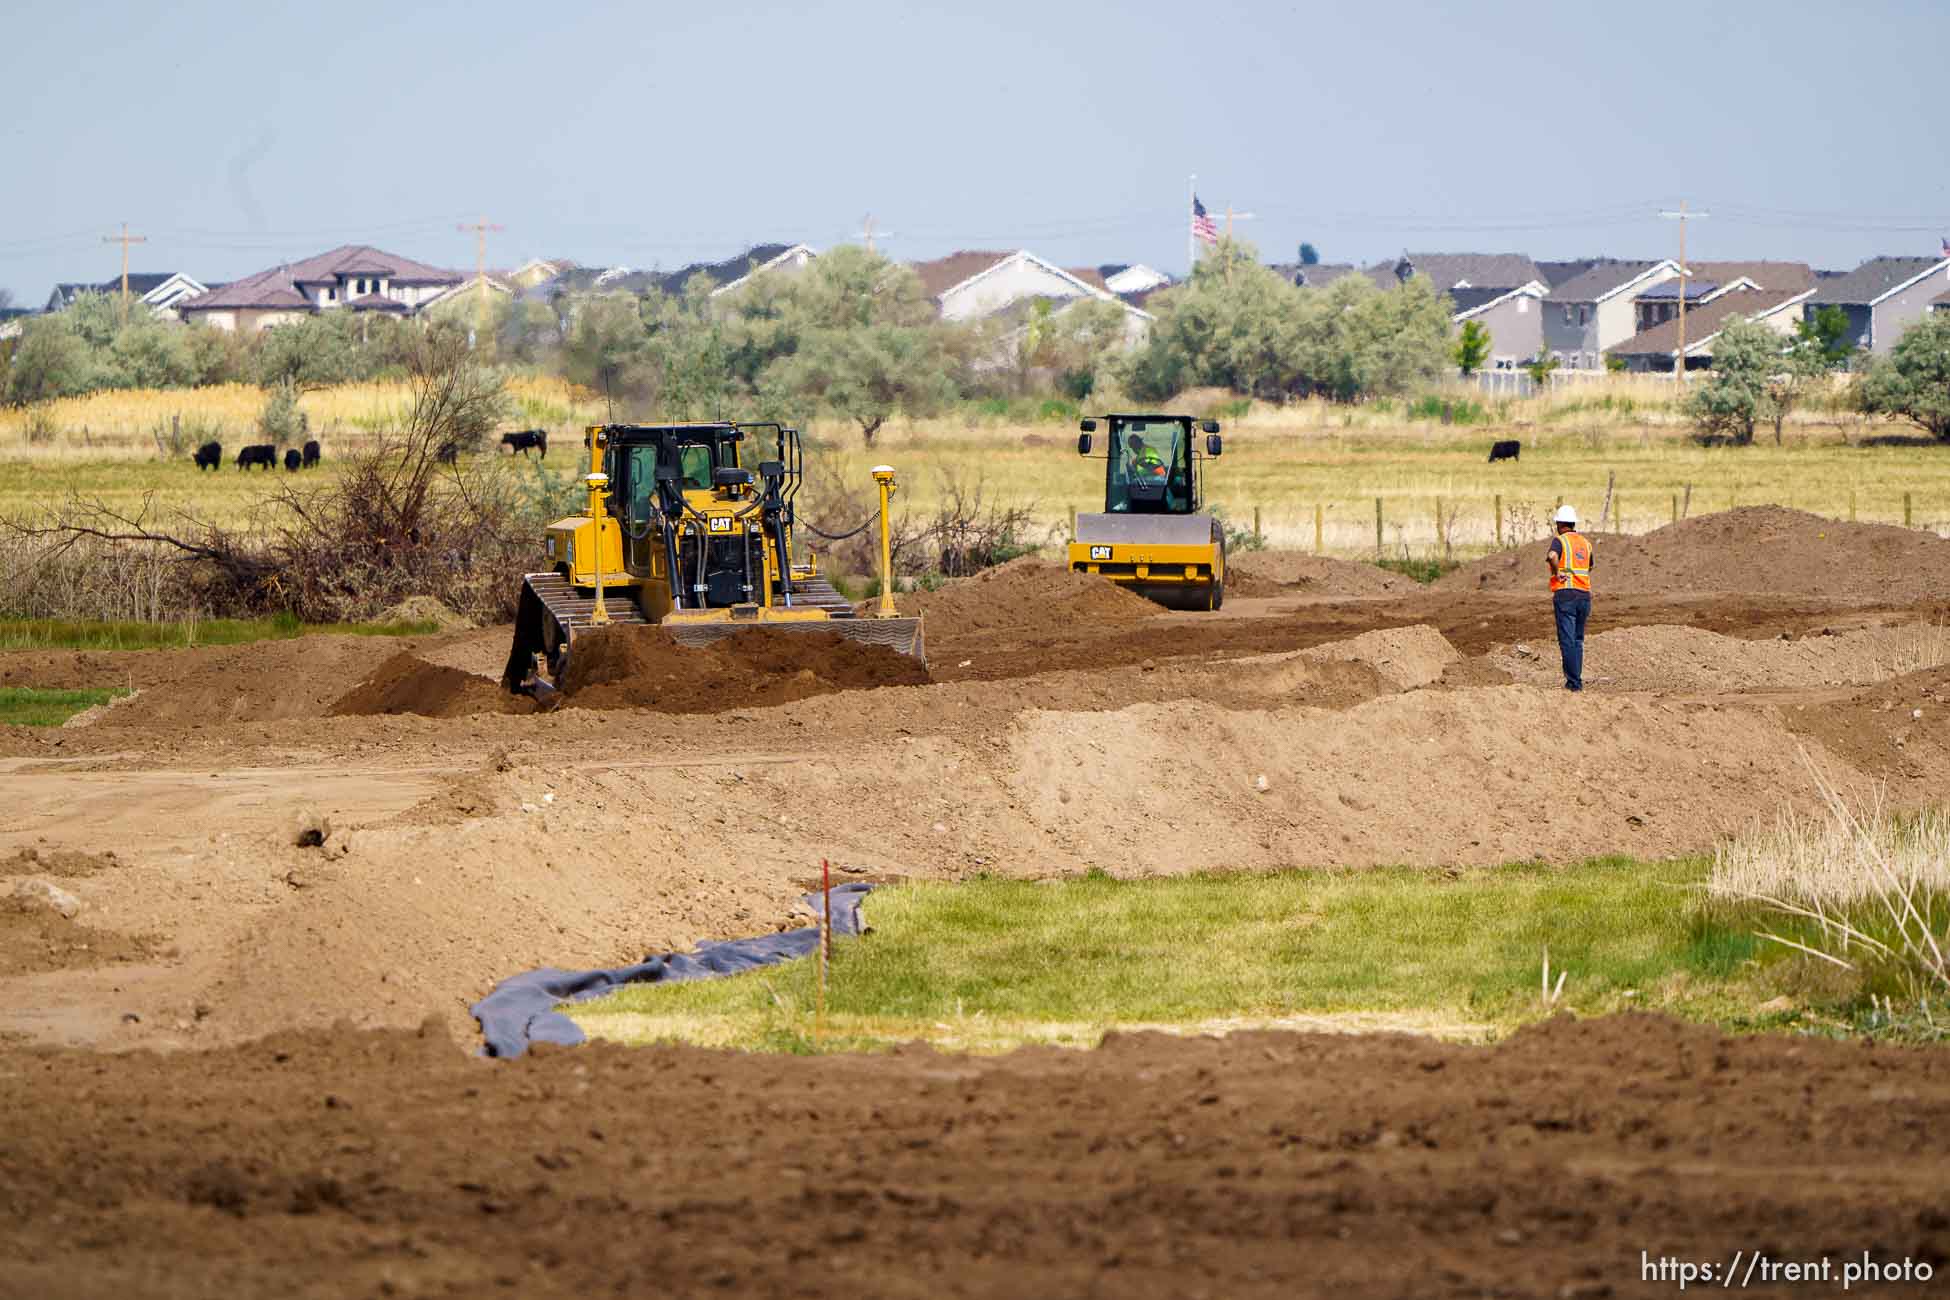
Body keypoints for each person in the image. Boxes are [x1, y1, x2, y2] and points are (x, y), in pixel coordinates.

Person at [1546, 504, 1593, 691]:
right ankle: (1576, 680)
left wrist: (1558, 573)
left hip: (1566, 594)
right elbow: (1589, 567)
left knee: (1567, 641)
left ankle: (1574, 684)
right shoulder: (1586, 543)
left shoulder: (1560, 541)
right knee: (1578, 640)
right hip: (1584, 596)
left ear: (1559, 524)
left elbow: (1551, 556)